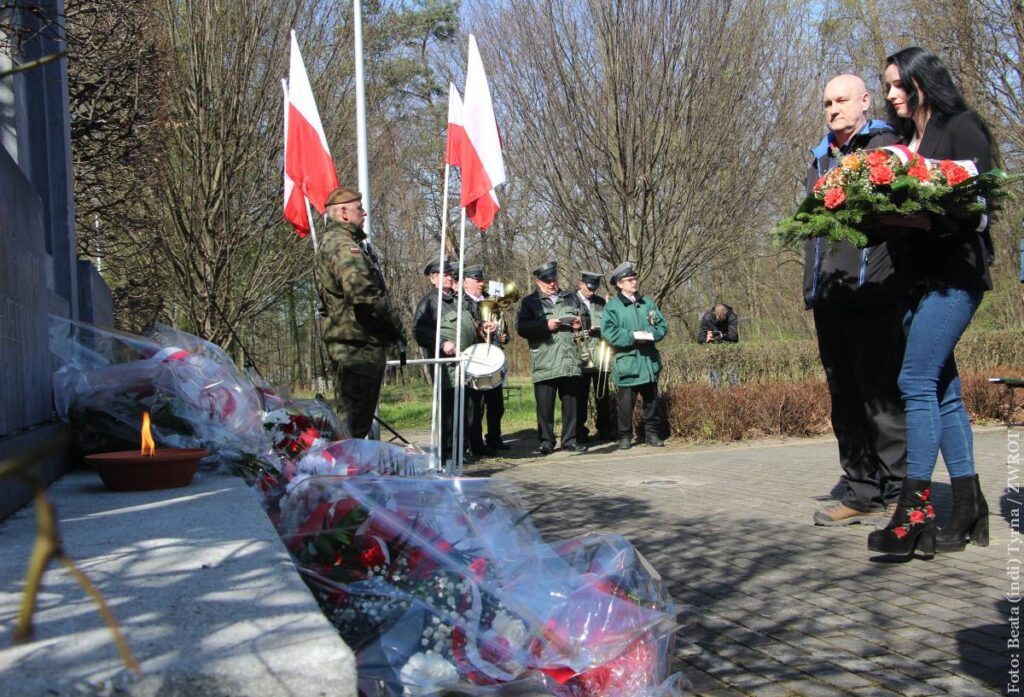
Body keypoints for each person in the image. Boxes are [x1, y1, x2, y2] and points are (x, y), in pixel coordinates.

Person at [868, 47, 994, 556]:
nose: (893, 95)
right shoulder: (900, 143)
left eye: (901, 85)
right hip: (912, 279)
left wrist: (926, 219)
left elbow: (982, 210)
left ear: (925, 81)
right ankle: (967, 508)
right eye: (889, 86)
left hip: (954, 277)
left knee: (914, 380)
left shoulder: (962, 127)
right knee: (943, 390)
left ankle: (913, 513)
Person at [803, 75, 907, 527]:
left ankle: (899, 488)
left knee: (880, 394)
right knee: (843, 396)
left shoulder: (887, 147)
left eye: (841, 99)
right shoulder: (819, 158)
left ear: (865, 100)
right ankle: (862, 488)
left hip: (874, 293)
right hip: (829, 296)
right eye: (827, 102)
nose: (832, 108)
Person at [316, 186, 405, 439]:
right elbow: (364, 297)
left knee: (351, 421)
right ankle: (344, 474)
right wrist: (395, 327)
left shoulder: (337, 243)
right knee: (353, 424)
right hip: (357, 343)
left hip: (351, 341)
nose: (364, 213)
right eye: (359, 208)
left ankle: (345, 470)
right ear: (343, 213)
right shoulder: (344, 246)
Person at [516, 261, 588, 455]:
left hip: (569, 359)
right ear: (538, 282)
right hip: (545, 360)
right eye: (546, 281)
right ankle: (547, 441)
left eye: (553, 279)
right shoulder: (529, 302)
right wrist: (545, 326)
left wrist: (580, 323)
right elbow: (521, 328)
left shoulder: (572, 298)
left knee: (571, 403)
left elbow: (586, 318)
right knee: (545, 406)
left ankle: (569, 440)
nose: (551, 284)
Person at [413, 259, 477, 465]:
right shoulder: (429, 303)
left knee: (467, 407)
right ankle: (448, 453)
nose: (449, 277)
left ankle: (462, 449)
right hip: (446, 366)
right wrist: (441, 343)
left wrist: (482, 326)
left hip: (467, 363)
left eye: (450, 274)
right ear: (433, 279)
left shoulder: (459, 300)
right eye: (443, 274)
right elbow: (420, 331)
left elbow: (469, 323)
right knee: (449, 409)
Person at [601, 262, 669, 450]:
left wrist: (652, 335)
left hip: (648, 362)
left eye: (635, 279)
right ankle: (624, 436)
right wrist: (632, 337)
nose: (634, 282)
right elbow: (608, 332)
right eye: (629, 280)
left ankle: (652, 434)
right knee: (625, 406)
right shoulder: (612, 307)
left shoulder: (647, 303)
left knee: (651, 403)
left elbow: (662, 325)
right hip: (627, 364)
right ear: (619, 284)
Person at [460, 264, 506, 456]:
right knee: (475, 405)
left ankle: (494, 438)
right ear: (465, 283)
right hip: (474, 356)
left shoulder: (490, 300)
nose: (480, 284)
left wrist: (504, 336)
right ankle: (475, 444)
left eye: (481, 281)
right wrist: (479, 326)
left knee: (496, 403)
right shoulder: (461, 302)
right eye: (476, 281)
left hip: (493, 353)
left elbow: (501, 322)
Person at [575, 271, 615, 442]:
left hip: (599, 354)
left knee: (602, 396)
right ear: (581, 284)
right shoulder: (570, 301)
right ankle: (580, 432)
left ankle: (604, 430)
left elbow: (610, 324)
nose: (592, 291)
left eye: (594, 288)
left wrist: (600, 329)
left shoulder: (600, 303)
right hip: (580, 355)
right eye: (589, 287)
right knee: (580, 396)